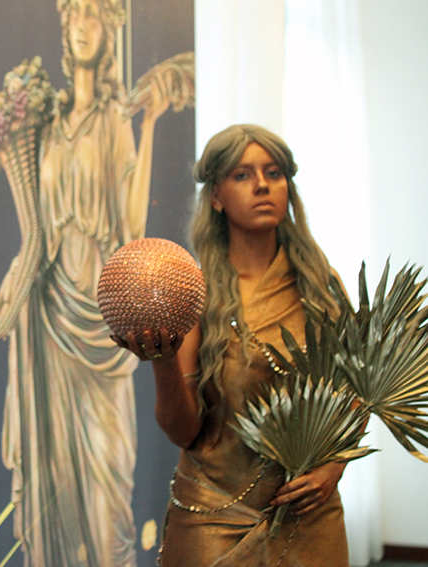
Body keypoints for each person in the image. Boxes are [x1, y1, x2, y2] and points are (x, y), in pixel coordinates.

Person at [0, 0, 190, 565]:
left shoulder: (115, 119)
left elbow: (131, 228)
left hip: (102, 319)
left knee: (108, 487)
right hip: (46, 311)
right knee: (55, 479)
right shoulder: (46, 125)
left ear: (109, 30)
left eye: (92, 16)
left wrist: (146, 126)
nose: (80, 28)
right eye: (73, 17)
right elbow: (35, 220)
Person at [116, 124, 350, 566]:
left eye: (274, 173)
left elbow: (358, 388)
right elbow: (183, 432)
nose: (262, 185)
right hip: (213, 512)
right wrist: (163, 362)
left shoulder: (321, 286)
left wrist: (334, 466)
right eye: (243, 175)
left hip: (308, 511)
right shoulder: (191, 290)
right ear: (216, 196)